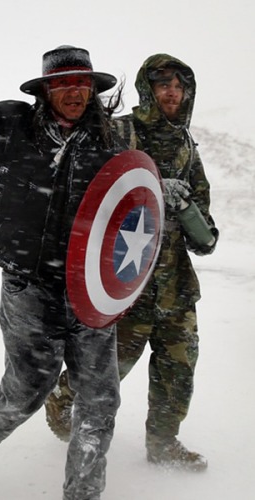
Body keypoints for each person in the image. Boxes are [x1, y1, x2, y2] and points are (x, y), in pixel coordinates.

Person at [0, 33, 125, 500]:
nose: (75, 91)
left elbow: (130, 204)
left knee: (100, 402)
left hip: (92, 289)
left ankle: (83, 494)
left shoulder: (109, 142)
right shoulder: (9, 129)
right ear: (45, 90)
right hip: (29, 286)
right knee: (28, 390)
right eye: (63, 82)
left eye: (82, 82)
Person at [44, 54, 219, 472]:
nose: (172, 91)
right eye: (163, 84)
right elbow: (86, 193)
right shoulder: (118, 131)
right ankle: (62, 397)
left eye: (179, 85)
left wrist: (186, 207)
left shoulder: (187, 148)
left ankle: (163, 442)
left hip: (175, 285)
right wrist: (151, 186)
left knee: (178, 368)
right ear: (147, 89)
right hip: (123, 281)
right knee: (109, 371)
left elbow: (206, 235)